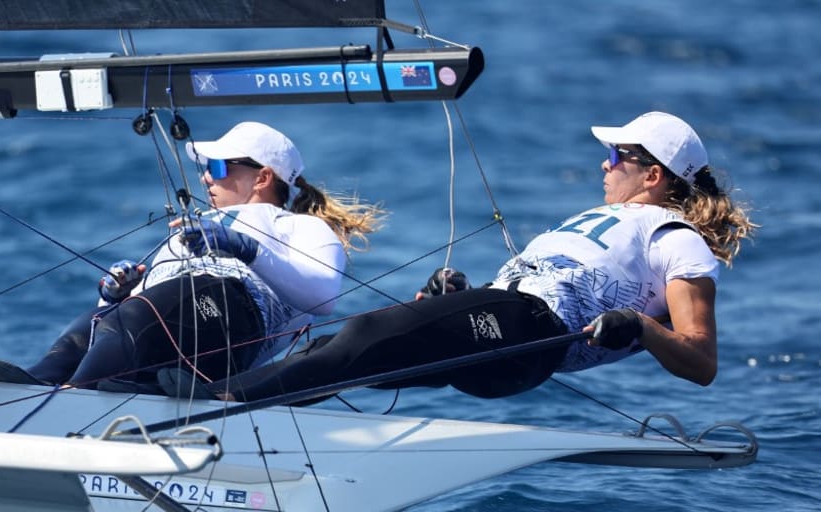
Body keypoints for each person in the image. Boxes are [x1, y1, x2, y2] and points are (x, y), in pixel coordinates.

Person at [158, 111, 756, 404]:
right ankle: (240, 401)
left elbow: (701, 360)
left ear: (653, 174)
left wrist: (644, 327)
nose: (605, 164)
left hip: (528, 335)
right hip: (505, 329)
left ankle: (217, 404)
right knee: (358, 357)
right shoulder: (622, 219)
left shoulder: (677, 240)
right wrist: (454, 298)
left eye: (618, 156)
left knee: (365, 332)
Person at [0, 121, 383, 389]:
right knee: (94, 324)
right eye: (204, 168)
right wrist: (111, 296)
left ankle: (69, 399)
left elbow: (322, 296)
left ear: (262, 178)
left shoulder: (302, 225)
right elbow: (135, 307)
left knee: (150, 310)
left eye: (217, 167)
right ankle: (30, 386)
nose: (206, 178)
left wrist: (242, 247)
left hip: (230, 326)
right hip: (169, 324)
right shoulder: (202, 227)